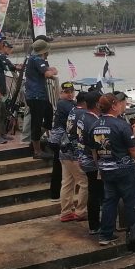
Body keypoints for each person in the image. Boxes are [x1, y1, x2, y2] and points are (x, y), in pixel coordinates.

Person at [92, 92, 135, 246]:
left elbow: (94, 151)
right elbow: (133, 150)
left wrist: (100, 168)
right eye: (119, 103)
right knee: (132, 202)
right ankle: (134, 237)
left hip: (106, 170)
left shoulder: (95, 125)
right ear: (114, 106)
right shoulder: (120, 125)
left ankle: (105, 235)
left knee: (110, 201)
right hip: (125, 170)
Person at [55, 84, 87, 221]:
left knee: (67, 182)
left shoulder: (73, 110)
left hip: (64, 148)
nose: (69, 94)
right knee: (84, 182)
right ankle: (81, 211)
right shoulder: (68, 106)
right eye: (66, 92)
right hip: (73, 151)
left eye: (71, 92)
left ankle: (66, 211)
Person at [24, 39, 58, 159]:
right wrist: (53, 70)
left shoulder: (35, 59)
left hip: (39, 95)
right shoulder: (37, 59)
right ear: (45, 50)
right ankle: (37, 151)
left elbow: (48, 69)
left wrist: (51, 69)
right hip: (36, 95)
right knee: (36, 123)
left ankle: (35, 140)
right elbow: (48, 73)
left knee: (49, 115)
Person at [77, 90, 104, 235]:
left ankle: (94, 224)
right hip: (92, 162)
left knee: (93, 192)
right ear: (98, 104)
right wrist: (100, 167)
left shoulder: (83, 117)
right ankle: (95, 225)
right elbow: (96, 147)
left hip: (83, 158)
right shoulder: (93, 121)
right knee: (96, 193)